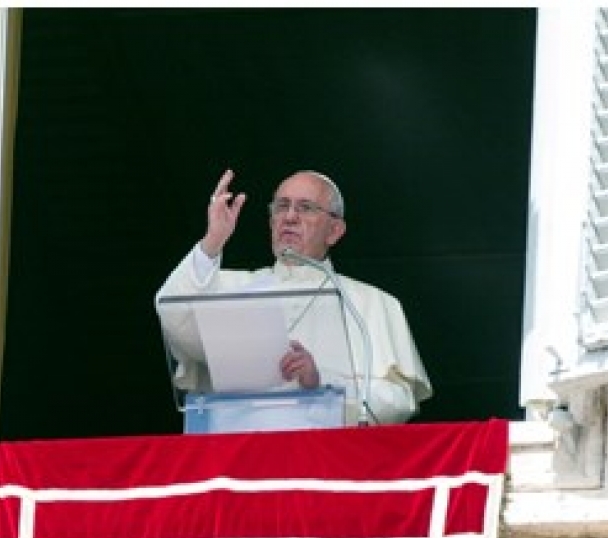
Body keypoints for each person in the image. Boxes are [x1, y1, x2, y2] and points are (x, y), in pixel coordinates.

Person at [155, 168, 432, 426]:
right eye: (281, 206)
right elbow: (174, 316)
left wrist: (321, 382)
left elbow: (399, 401)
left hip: (326, 461)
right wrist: (212, 241)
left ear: (334, 231)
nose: (289, 217)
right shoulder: (229, 287)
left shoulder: (371, 303)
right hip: (239, 456)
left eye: (306, 208)